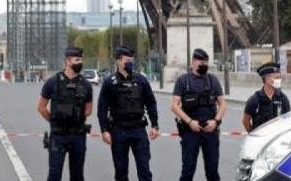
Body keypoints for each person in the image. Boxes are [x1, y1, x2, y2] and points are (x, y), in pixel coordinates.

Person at [97, 46, 160, 181]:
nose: (130, 62)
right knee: (121, 171)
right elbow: (102, 108)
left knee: (144, 169)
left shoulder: (141, 80)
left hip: (138, 129)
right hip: (118, 130)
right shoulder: (109, 83)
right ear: (118, 62)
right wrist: (104, 130)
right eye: (127, 60)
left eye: (131, 60)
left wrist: (155, 125)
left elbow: (151, 103)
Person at [38, 47, 94, 181]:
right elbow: (41, 107)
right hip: (58, 135)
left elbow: (89, 110)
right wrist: (54, 120)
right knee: (54, 175)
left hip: (78, 135)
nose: (80, 63)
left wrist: (75, 118)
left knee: (77, 175)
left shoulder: (86, 84)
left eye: (81, 60)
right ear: (68, 61)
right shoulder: (52, 82)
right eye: (77, 60)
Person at [171, 48, 226, 181]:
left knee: (212, 172)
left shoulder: (212, 80)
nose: (204, 65)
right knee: (187, 171)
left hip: (210, 130)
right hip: (190, 131)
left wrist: (216, 121)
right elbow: (174, 106)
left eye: (206, 62)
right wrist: (190, 122)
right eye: (201, 62)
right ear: (193, 62)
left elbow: (223, 104)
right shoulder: (183, 81)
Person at [242, 62, 291, 133]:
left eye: (279, 77)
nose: (279, 80)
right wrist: (253, 134)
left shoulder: (283, 98)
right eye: (277, 78)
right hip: (260, 138)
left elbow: (288, 120)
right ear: (267, 79)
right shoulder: (254, 99)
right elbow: (245, 120)